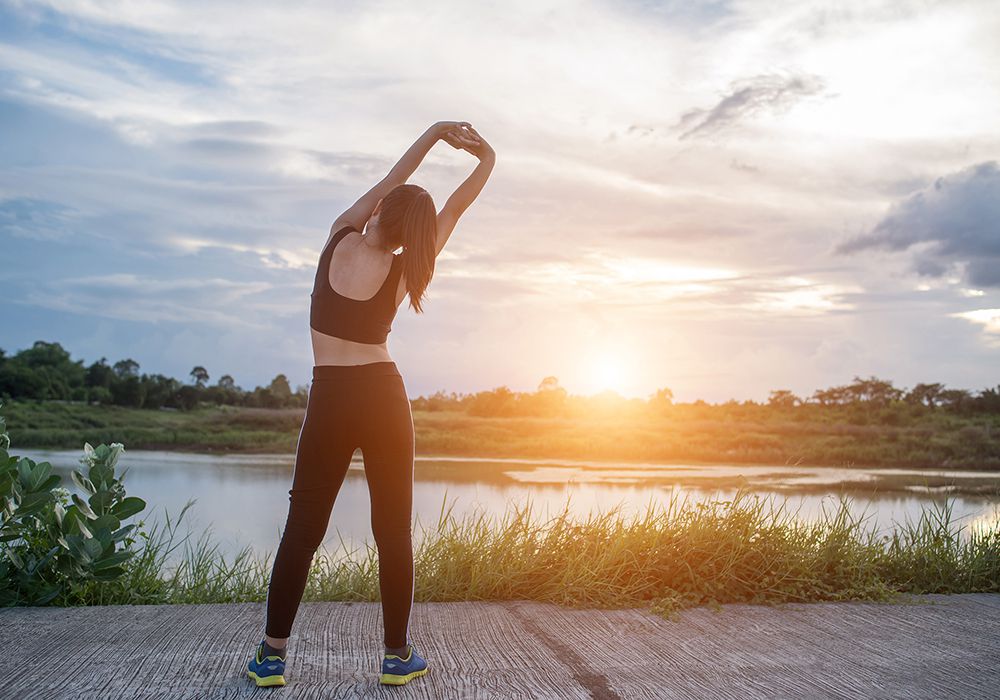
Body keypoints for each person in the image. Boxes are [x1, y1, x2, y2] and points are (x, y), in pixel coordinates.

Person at [247, 121, 495, 688]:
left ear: (380, 209)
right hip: (384, 396)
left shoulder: (339, 236)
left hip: (330, 397)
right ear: (416, 234)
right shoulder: (410, 262)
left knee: (302, 529)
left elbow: (394, 177)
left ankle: (271, 656)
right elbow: (454, 209)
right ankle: (395, 656)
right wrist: (487, 161)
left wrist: (434, 135)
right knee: (393, 529)